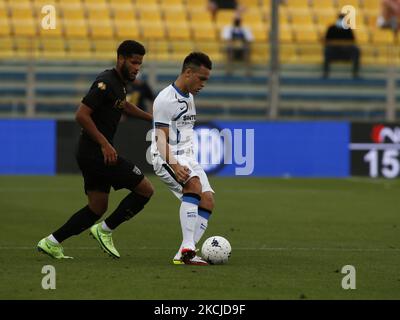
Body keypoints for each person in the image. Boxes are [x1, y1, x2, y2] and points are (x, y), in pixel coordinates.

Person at [37, 40, 154, 259]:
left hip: (90, 153)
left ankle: (51, 242)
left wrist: (152, 118)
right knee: (145, 189)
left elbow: (124, 105)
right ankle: (105, 230)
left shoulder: (119, 83)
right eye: (134, 62)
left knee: (97, 207)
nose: (137, 67)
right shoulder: (105, 82)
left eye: (140, 64)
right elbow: (81, 114)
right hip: (97, 153)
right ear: (121, 59)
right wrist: (105, 144)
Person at [151, 52, 213, 266]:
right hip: (166, 157)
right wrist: (175, 164)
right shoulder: (165, 99)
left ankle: (184, 254)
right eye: (201, 78)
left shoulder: (189, 96)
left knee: (208, 200)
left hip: (187, 157)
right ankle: (188, 247)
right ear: (188, 72)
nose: (204, 84)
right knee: (193, 185)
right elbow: (159, 140)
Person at [323, 13, 361, 79]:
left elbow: (352, 41)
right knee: (327, 51)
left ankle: (355, 73)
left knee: (356, 50)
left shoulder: (348, 29)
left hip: (346, 51)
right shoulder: (331, 28)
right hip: (334, 51)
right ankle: (326, 72)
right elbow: (327, 40)